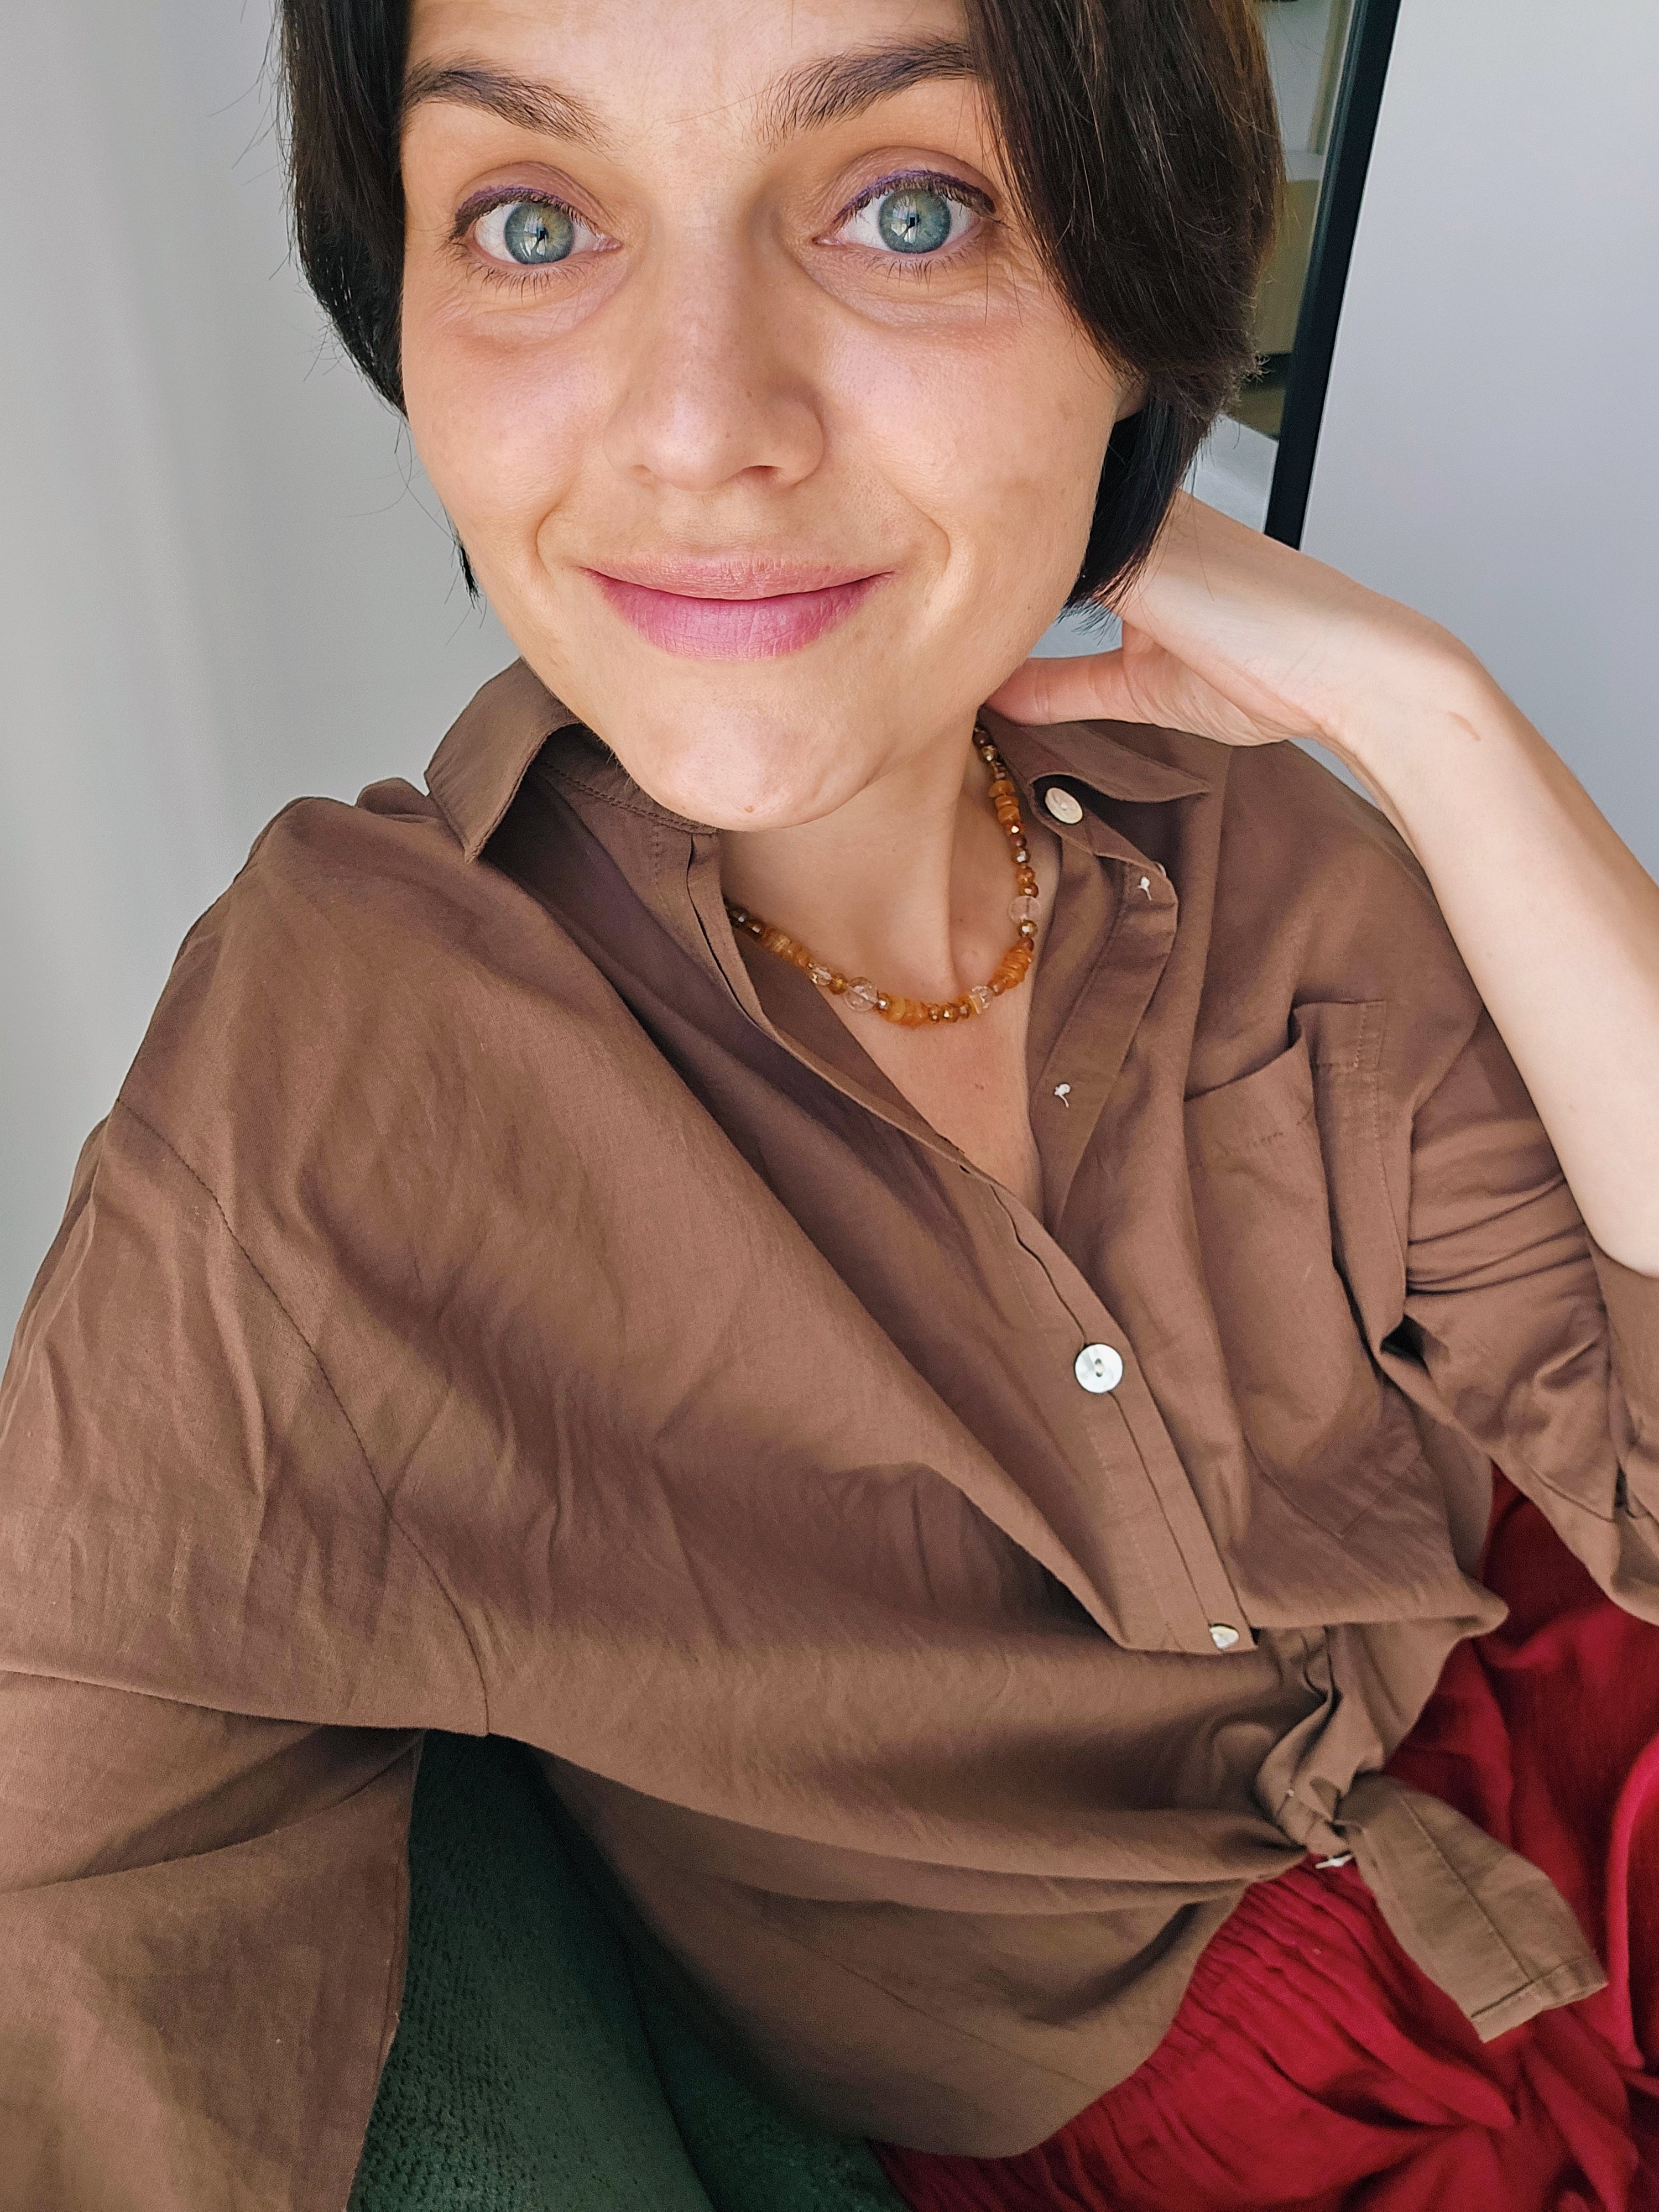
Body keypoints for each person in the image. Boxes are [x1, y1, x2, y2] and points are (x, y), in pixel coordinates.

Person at [2, 0, 1656, 2205]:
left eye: (908, 207)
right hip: (1169, 2106)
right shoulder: (345, 1060)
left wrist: (1436, 721)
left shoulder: (1260, 848)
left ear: (1132, 301)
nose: (697, 429)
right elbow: (77, 1893)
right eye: (528, 217)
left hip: (1545, 1734)